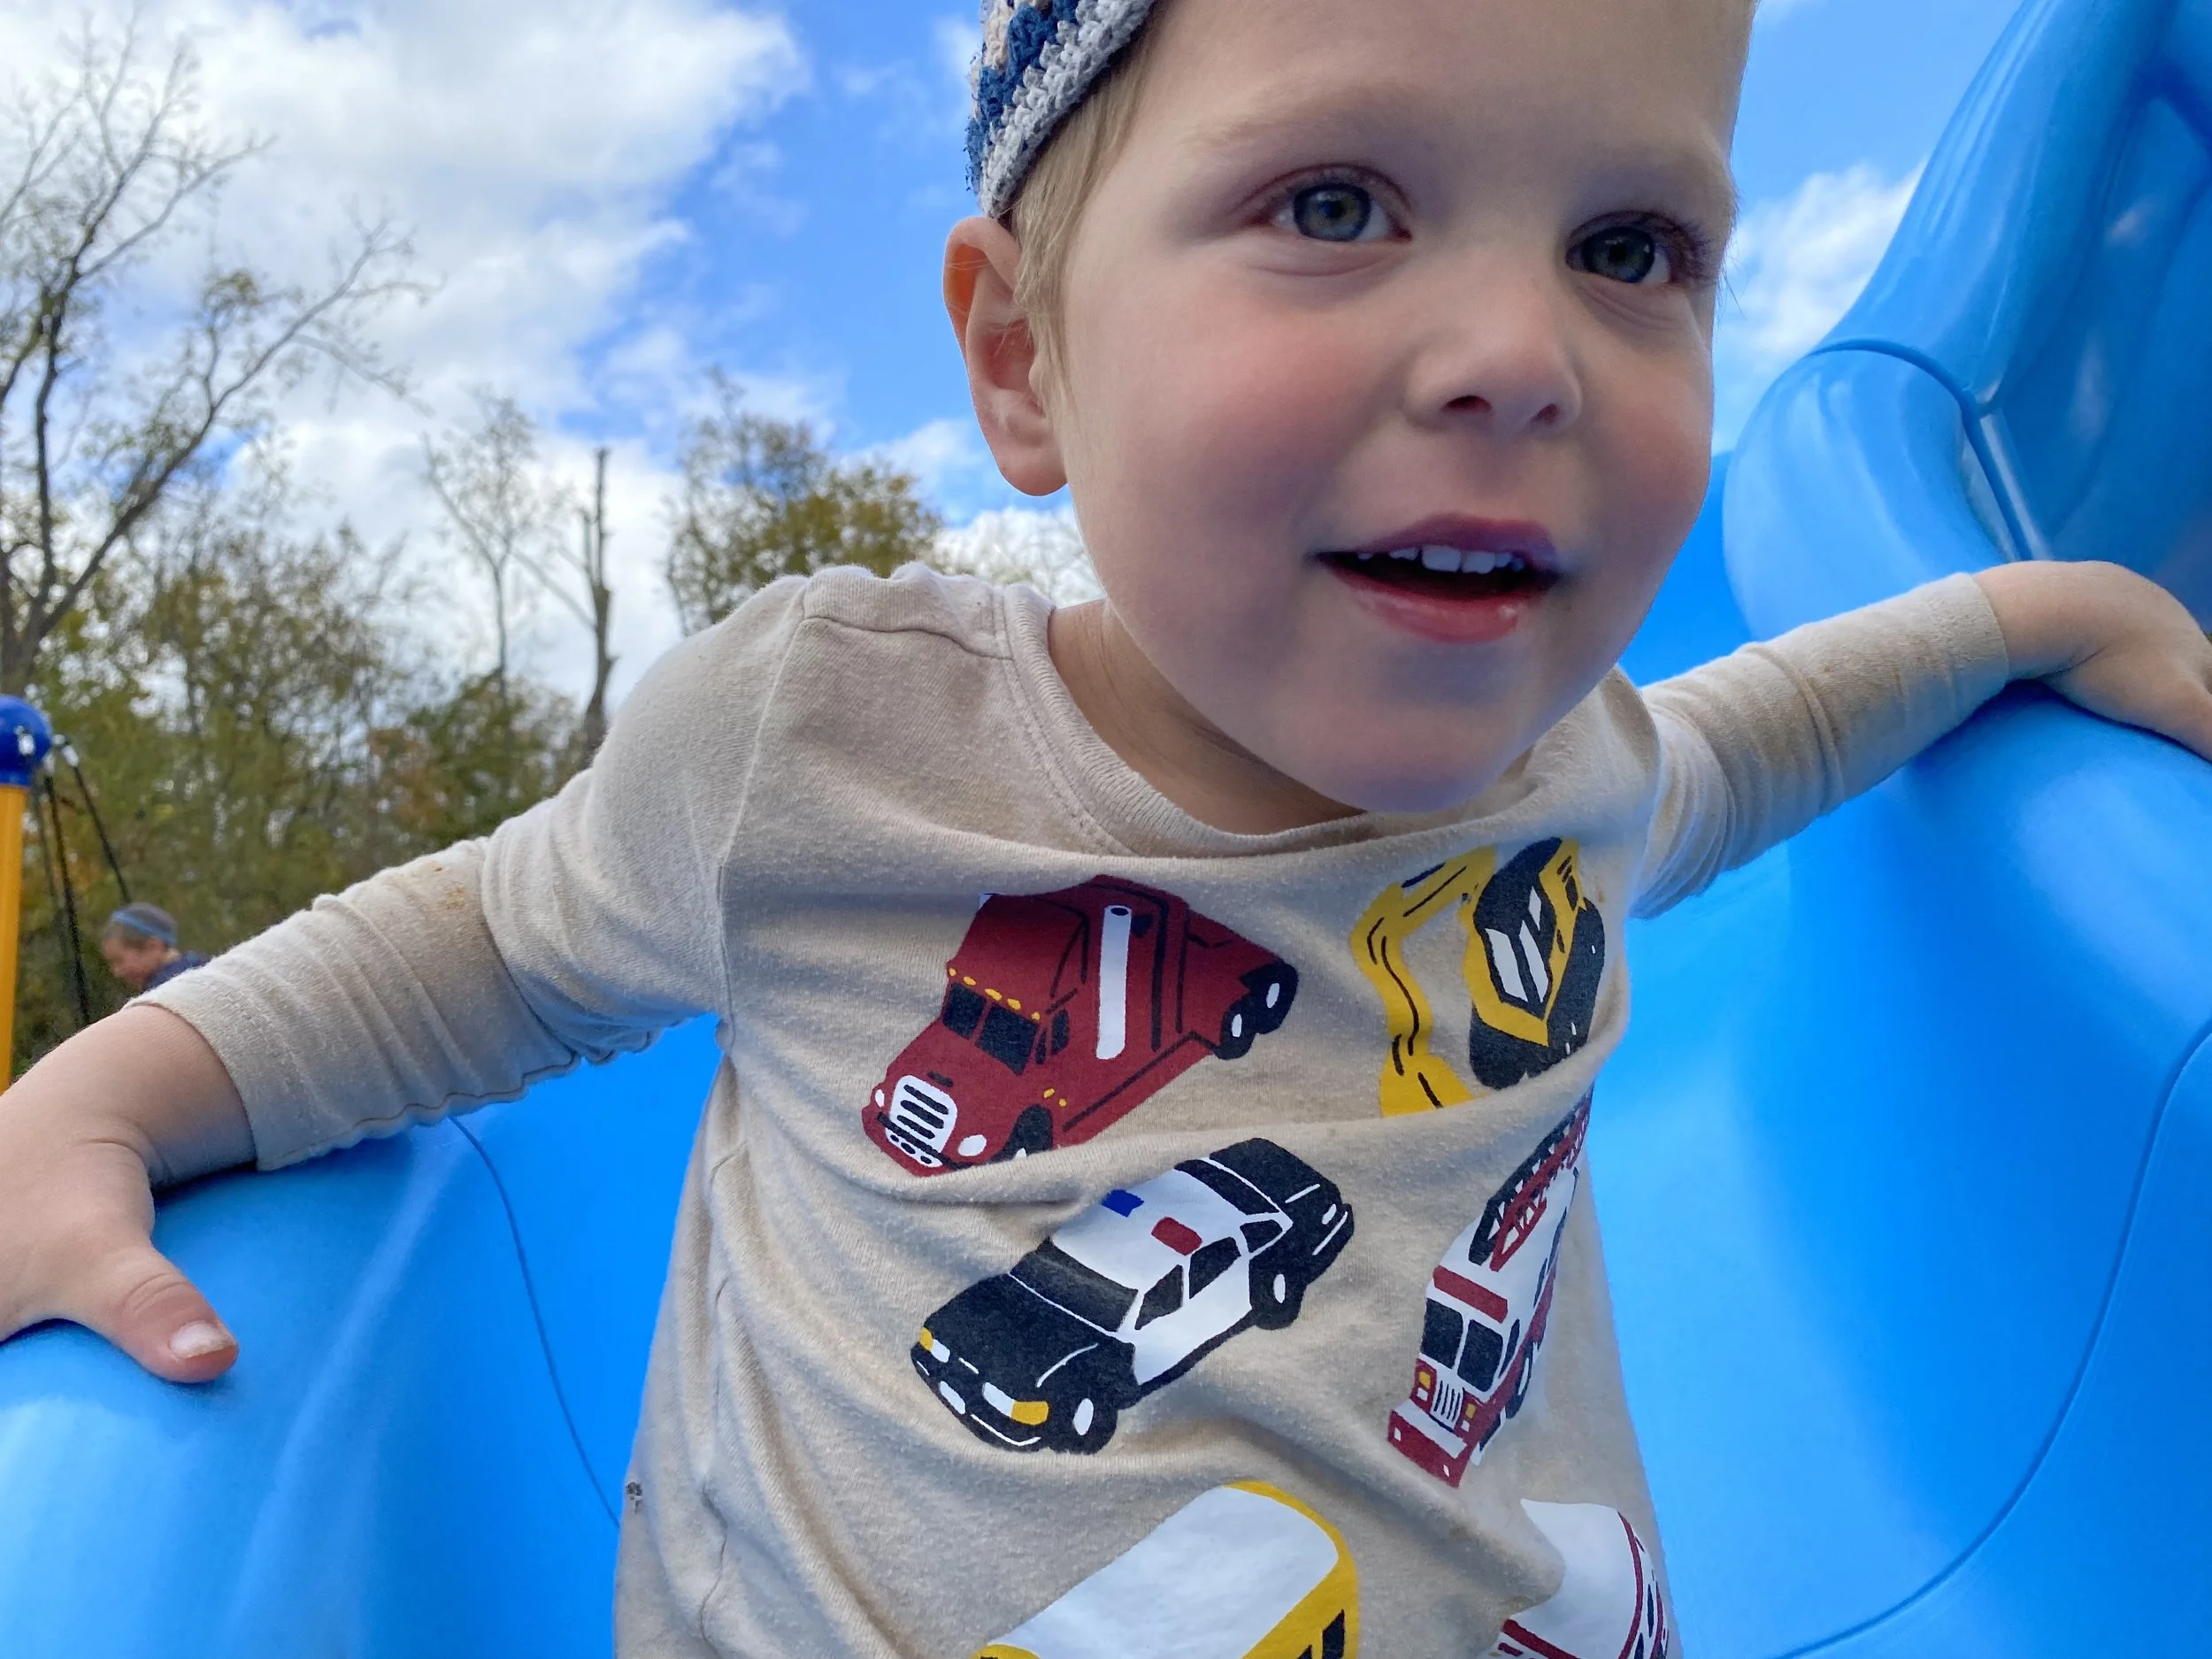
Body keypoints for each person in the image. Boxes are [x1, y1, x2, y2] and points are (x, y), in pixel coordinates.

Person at [4, 0, 2211, 1651]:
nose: (1518, 351)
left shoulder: (1579, 781)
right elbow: (479, 948)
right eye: (1334, 206)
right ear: (1023, 357)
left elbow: (1784, 717)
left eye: (1633, 244)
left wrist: (2047, 604)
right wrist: (91, 1097)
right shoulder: (830, 739)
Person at [96, 904, 211, 997]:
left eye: (119, 960)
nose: (116, 972)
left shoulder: (166, 991)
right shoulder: (204, 965)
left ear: (153, 946)